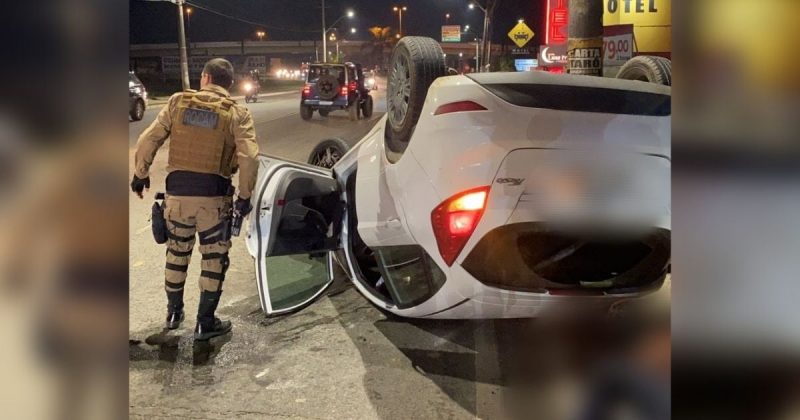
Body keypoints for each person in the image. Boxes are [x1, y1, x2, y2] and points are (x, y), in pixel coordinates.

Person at [131, 58, 259, 341]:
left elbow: (148, 140)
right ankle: (205, 322)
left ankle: (174, 313)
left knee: (176, 254)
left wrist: (141, 174)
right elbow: (249, 158)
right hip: (213, 199)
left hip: (177, 197)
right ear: (229, 84)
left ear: (204, 78)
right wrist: (245, 197)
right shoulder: (236, 113)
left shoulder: (178, 102)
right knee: (214, 260)